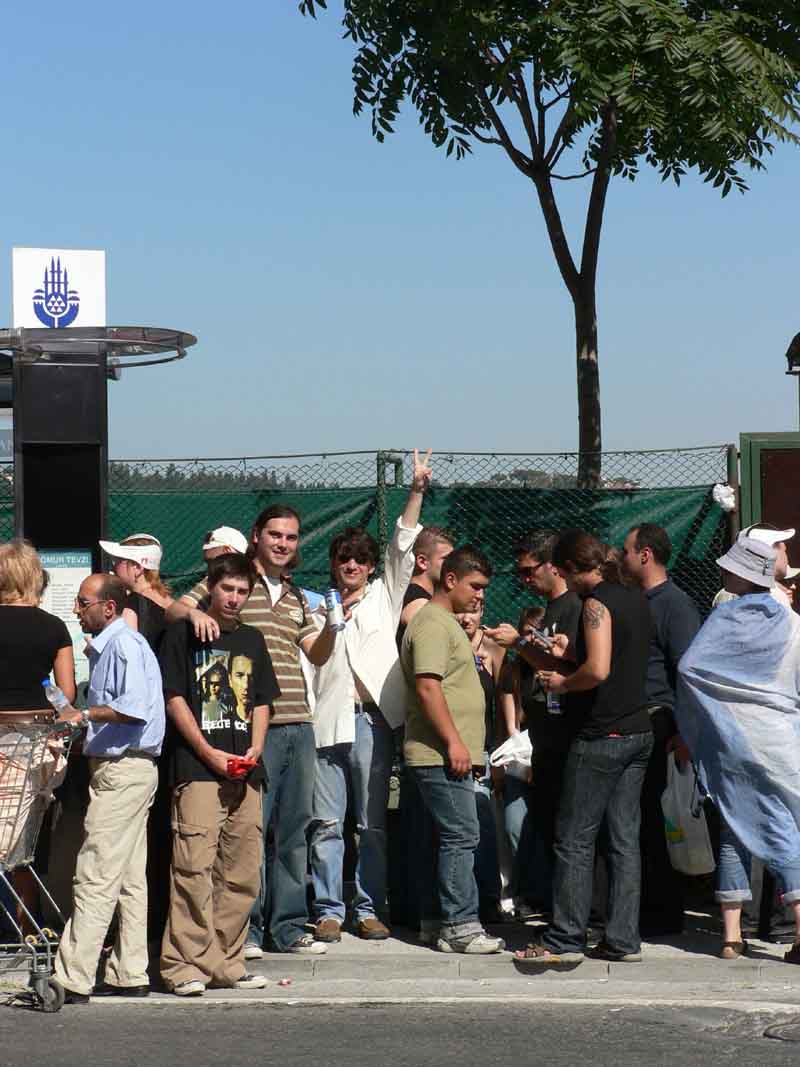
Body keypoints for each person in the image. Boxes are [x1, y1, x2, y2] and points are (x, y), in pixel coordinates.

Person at [167, 504, 337, 956]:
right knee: (247, 837)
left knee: (294, 831)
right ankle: (249, 931)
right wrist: (193, 615)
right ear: (257, 535)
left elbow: (316, 654)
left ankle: (288, 927)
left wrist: (333, 629)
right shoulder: (234, 580)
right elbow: (175, 608)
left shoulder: (297, 597)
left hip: (299, 723)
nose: (283, 543)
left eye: (291, 537)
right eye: (275, 535)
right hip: (249, 730)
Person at [515, 529, 653, 968]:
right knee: (624, 840)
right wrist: (566, 650)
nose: (563, 579)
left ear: (573, 569)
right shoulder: (635, 597)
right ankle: (622, 938)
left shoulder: (595, 603)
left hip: (600, 735)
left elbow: (597, 669)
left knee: (574, 838)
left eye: (563, 570)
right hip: (638, 730)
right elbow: (616, 655)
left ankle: (564, 936)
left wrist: (561, 682)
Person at [309, 449, 430, 943]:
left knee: (371, 824)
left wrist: (416, 490)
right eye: (345, 558)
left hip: (371, 721)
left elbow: (402, 547)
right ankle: (328, 911)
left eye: (360, 558)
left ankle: (369, 907)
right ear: (333, 565)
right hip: (325, 722)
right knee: (326, 823)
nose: (353, 565)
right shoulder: (315, 607)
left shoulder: (386, 594)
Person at [158, 553, 279, 996]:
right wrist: (208, 752)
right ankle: (184, 966)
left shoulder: (253, 639)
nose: (234, 598)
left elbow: (262, 700)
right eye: (227, 588)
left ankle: (226, 963)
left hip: (246, 770)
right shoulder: (182, 634)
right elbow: (174, 698)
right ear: (211, 586)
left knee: (242, 872)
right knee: (194, 869)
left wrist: (257, 746)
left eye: (242, 591)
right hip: (198, 768)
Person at [677, 537, 800, 963]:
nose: (724, 571)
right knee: (787, 826)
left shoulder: (725, 616)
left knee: (733, 825)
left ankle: (731, 937)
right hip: (779, 739)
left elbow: (689, 667)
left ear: (742, 575)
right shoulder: (792, 622)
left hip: (731, 739)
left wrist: (718, 707)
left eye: (729, 568)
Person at [52, 574, 165, 1004]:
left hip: (123, 770)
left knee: (96, 871)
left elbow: (132, 709)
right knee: (129, 877)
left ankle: (72, 977)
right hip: (129, 767)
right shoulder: (115, 646)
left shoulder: (122, 645)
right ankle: (129, 970)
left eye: (83, 603)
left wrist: (82, 716)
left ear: (109, 608)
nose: (76, 610)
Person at [401, 544, 504, 954]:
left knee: (440, 838)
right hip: (440, 754)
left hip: (444, 753)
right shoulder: (432, 624)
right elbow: (428, 687)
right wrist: (454, 741)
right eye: (475, 586)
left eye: (484, 588)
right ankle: (461, 926)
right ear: (450, 579)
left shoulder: (443, 623)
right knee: (462, 835)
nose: (480, 595)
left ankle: (435, 922)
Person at [485, 530, 583, 915]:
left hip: (570, 737)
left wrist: (521, 645)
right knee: (541, 827)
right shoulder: (553, 609)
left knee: (569, 833)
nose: (525, 580)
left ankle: (574, 917)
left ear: (553, 565)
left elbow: (574, 668)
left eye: (529, 571)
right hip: (544, 738)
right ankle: (555, 911)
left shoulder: (576, 607)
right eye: (520, 573)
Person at [621, 523, 701, 938]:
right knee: (638, 819)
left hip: (661, 725)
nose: (623, 557)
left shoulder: (675, 605)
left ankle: (665, 914)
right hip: (635, 722)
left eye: (627, 550)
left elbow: (689, 673)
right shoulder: (635, 601)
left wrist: (685, 732)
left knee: (657, 820)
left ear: (645, 554)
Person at [0, 540, 76, 932]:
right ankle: (26, 925)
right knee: (22, 841)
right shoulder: (54, 627)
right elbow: (67, 692)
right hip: (31, 744)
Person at [456, 601, 506, 922]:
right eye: (461, 611)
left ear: (483, 612)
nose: (466, 618)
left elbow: (504, 700)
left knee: (483, 824)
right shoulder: (447, 642)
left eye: (473, 611)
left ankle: (488, 900)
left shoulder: (493, 648)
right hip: (451, 748)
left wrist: (499, 754)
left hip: (482, 751)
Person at [99, 534, 172, 655]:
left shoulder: (132, 604)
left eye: (118, 560)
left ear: (137, 568)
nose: (112, 567)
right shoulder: (172, 603)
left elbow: (126, 655)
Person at [396, 525, 456, 647]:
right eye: (446, 559)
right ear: (422, 562)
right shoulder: (416, 601)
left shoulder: (425, 599)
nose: (453, 565)